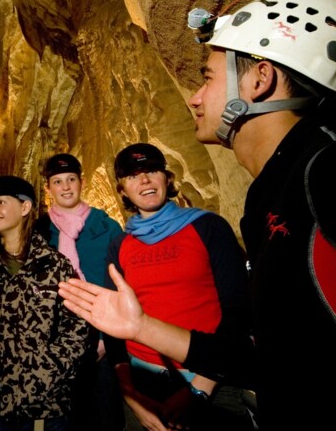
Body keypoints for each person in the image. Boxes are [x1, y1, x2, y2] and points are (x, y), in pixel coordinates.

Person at [58, 0, 336, 430]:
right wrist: (140, 328)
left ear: (259, 79)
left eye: (207, 78)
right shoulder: (272, 192)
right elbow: (269, 359)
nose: (194, 97)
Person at [101, 143, 252, 431]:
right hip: (142, 383)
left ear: (167, 179)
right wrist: (132, 397)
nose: (144, 180)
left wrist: (198, 390)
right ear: (122, 190)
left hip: (209, 379)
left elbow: (238, 312)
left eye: (151, 170)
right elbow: (114, 325)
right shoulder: (120, 245)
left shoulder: (208, 228)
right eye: (132, 176)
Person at [0, 175, 89, 431]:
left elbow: (76, 330)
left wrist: (43, 378)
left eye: (1, 202)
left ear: (25, 208)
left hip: (44, 410)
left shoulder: (55, 266)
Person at [34, 153, 125, 431]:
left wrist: (105, 339)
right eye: (57, 181)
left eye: (71, 179)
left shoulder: (107, 227)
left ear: (81, 182)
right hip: (56, 344)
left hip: (102, 341)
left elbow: (122, 285)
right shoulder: (39, 232)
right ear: (48, 188)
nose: (65, 187)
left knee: (105, 418)